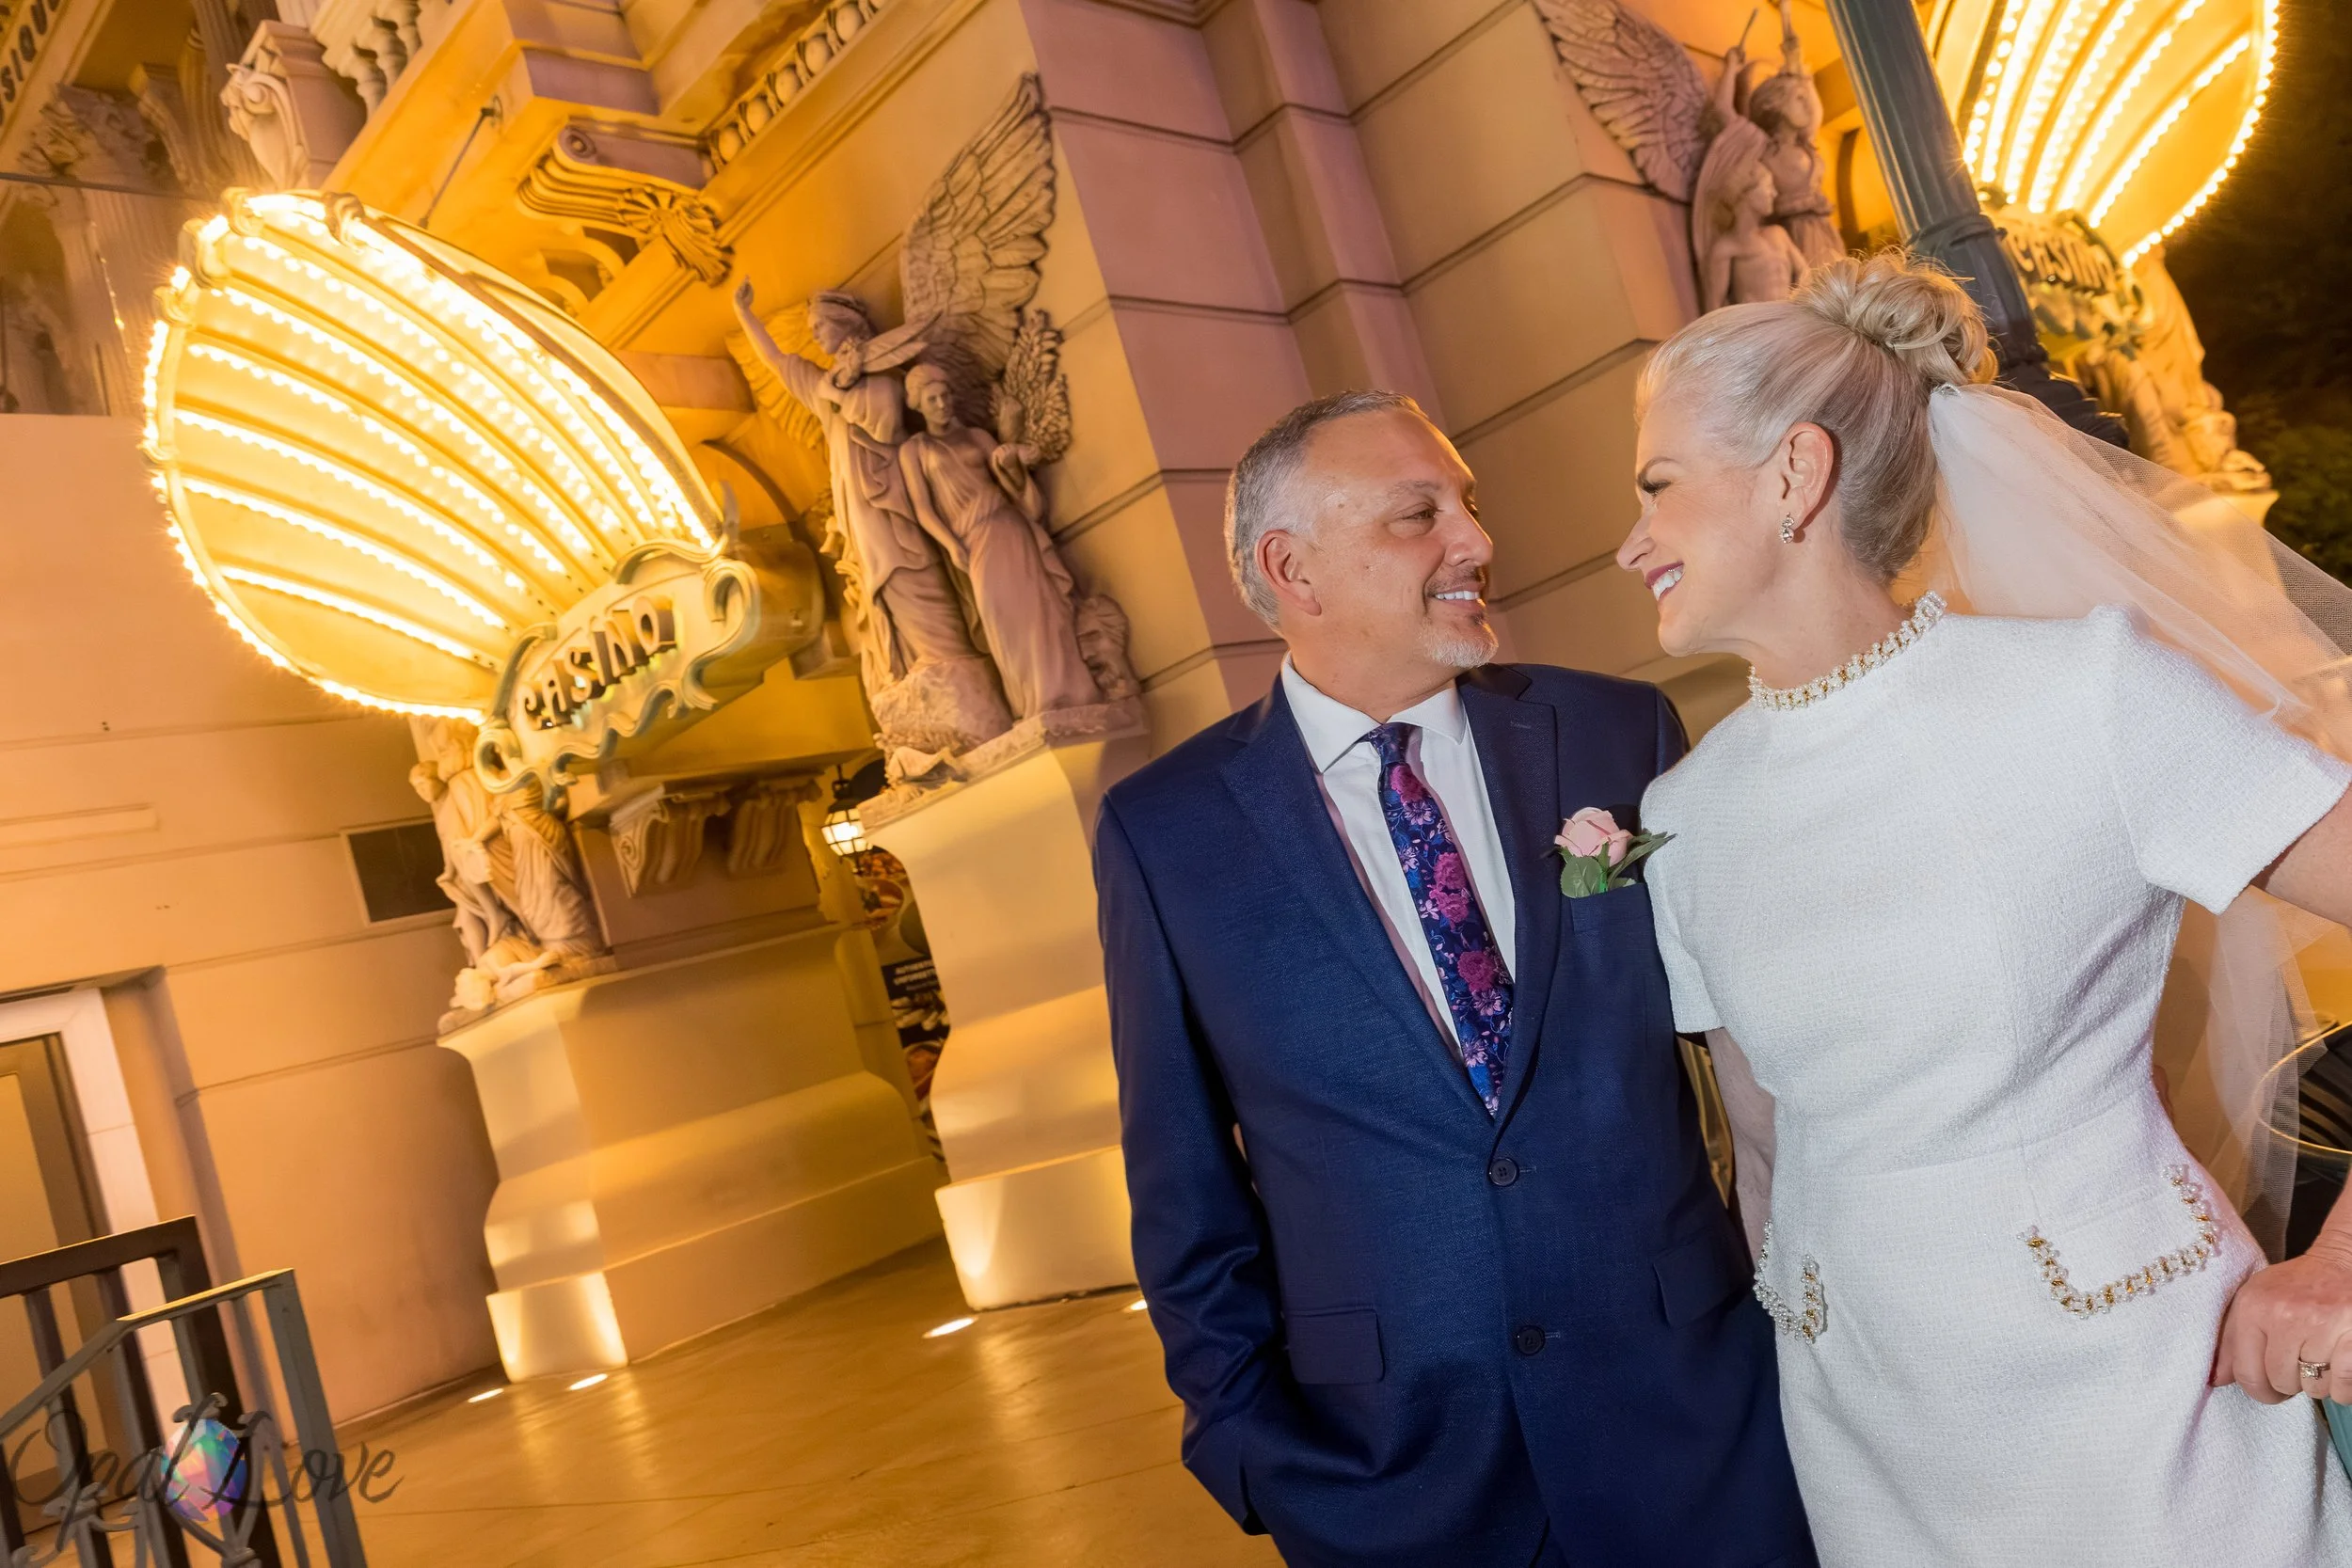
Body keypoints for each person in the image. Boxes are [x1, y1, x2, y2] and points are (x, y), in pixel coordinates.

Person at [1615, 251, 2352, 1563]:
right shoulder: (1685, 816)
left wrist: (2343, 1259)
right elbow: (1773, 1151)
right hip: (1868, 1439)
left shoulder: (2089, 694)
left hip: (2143, 1405)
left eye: (1659, 486)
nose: (1630, 542)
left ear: (1794, 476)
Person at [1096, 389, 1817, 1567]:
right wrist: (1249, 1446)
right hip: (1397, 1478)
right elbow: (1181, 1186)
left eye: (1467, 505)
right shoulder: (1163, 832)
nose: (1475, 541)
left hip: (1697, 1427)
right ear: (1295, 570)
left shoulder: (1617, 733)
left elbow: (1762, 1045)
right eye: (1415, 514)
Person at [898, 362, 1101, 717]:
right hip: (973, 541)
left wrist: (1013, 464)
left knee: (1040, 610)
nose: (942, 404)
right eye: (932, 399)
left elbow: (1010, 486)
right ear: (917, 404)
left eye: (945, 395)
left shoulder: (977, 436)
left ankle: (1072, 693)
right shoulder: (915, 450)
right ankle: (1032, 704)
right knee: (1004, 620)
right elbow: (923, 509)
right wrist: (951, 545)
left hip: (1007, 528)